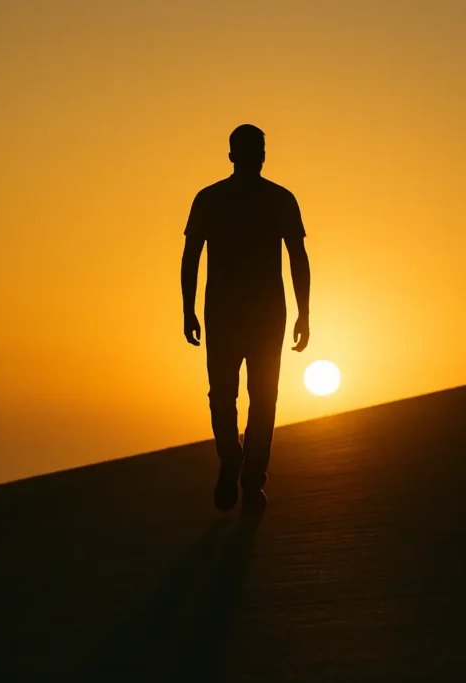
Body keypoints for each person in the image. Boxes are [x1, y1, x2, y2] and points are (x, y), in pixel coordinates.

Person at [180, 124, 311, 513]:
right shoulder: (220, 199)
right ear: (238, 156)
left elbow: (297, 258)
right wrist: (187, 308)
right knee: (239, 396)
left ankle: (248, 474)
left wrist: (305, 312)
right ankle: (240, 467)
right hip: (237, 313)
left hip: (252, 313)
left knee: (245, 396)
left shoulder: (271, 199)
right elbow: (191, 256)